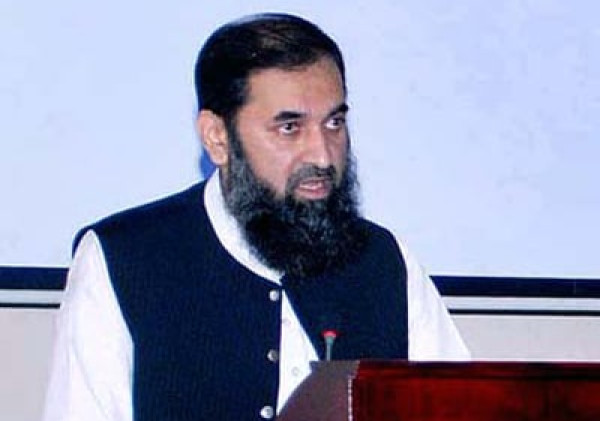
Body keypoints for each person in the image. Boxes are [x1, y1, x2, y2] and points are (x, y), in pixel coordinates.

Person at [42, 13, 469, 421]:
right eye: (290, 128)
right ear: (217, 137)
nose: (323, 155)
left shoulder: (384, 261)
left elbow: (459, 405)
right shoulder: (124, 259)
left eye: (334, 123)